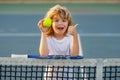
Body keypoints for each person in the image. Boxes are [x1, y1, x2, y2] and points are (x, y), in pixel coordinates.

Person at [38, 4, 83, 80]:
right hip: (51, 77)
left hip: (68, 77)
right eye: (56, 20)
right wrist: (43, 33)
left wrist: (75, 35)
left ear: (68, 23)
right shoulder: (48, 37)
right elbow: (43, 54)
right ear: (51, 23)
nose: (60, 23)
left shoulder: (70, 37)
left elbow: (74, 55)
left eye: (64, 20)